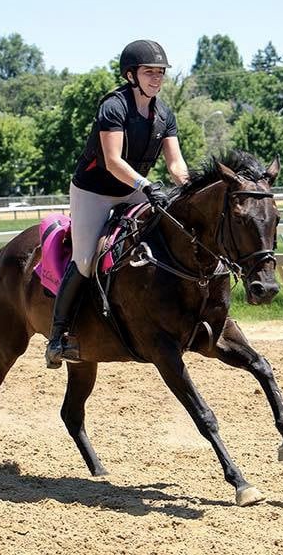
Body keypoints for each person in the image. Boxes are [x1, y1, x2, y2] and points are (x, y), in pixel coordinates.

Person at [45, 39, 189, 368]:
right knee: (84, 259)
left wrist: (189, 187)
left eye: (161, 73)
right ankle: (58, 336)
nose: (157, 78)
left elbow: (176, 163)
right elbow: (112, 161)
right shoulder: (114, 106)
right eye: (149, 72)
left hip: (134, 187)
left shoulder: (164, 113)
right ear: (130, 75)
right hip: (95, 190)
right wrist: (147, 185)